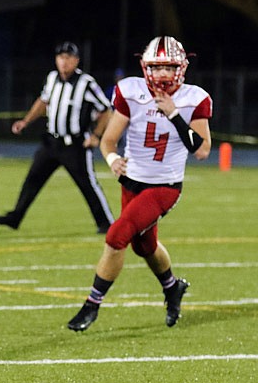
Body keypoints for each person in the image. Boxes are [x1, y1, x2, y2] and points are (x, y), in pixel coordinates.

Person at [67, 35, 212, 332]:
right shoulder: (130, 91)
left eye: (168, 67)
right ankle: (172, 287)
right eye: (156, 67)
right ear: (145, 67)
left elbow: (202, 150)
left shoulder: (193, 98)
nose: (161, 74)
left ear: (181, 68)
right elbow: (108, 140)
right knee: (144, 246)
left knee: (116, 235)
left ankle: (91, 305)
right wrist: (111, 160)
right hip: (131, 181)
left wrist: (173, 114)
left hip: (164, 186)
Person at [0, 41, 115, 234]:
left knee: (88, 185)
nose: (64, 62)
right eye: (60, 57)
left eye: (68, 58)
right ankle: (15, 217)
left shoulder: (86, 83)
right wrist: (26, 121)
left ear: (76, 61)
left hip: (74, 144)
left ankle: (107, 223)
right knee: (33, 179)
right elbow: (43, 100)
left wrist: (96, 136)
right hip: (51, 142)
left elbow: (106, 109)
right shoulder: (52, 78)